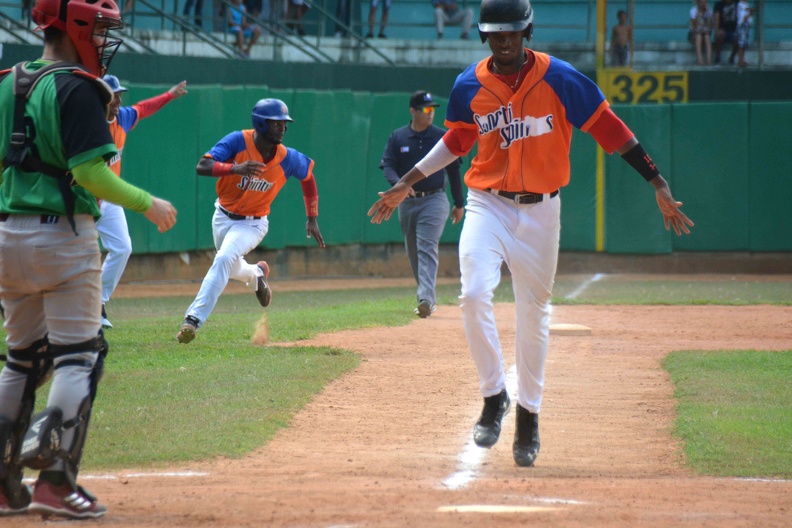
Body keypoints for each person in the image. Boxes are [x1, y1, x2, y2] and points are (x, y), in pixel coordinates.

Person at [368, 0, 693, 468]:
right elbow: (458, 139)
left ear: (527, 32)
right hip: (487, 202)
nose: (503, 41)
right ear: (484, 36)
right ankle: (494, 396)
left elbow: (608, 127)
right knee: (474, 294)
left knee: (533, 313)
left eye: (512, 33)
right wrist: (406, 181)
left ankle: (529, 417)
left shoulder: (560, 78)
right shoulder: (468, 84)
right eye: (495, 34)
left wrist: (656, 181)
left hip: (542, 211)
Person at [0, 0, 176, 519]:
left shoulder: (6, 81)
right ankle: (56, 482)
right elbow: (91, 175)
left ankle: (4, 484)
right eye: (98, 29)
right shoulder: (79, 87)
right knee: (81, 356)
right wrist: (149, 203)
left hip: (7, 235)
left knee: (20, 359)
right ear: (72, 25)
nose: (103, 39)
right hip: (63, 237)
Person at [177, 98, 325, 344]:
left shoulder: (288, 157)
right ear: (260, 123)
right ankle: (256, 275)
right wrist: (233, 169)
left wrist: (312, 217)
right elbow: (202, 166)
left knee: (224, 259)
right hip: (222, 216)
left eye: (284, 123)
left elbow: (308, 177)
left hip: (253, 224)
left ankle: (192, 320)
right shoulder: (237, 141)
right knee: (231, 267)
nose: (283, 128)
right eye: (276, 123)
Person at [98, 76, 188, 329]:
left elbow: (144, 108)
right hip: (83, 197)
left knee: (123, 247)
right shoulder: (89, 124)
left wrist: (169, 94)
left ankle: (97, 304)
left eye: (119, 94)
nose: (118, 100)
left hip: (110, 196)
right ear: (100, 97)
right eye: (113, 95)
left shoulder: (122, 118)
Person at [380, 91, 465, 318]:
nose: (430, 113)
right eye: (426, 109)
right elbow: (387, 165)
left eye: (432, 109)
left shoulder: (441, 136)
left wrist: (459, 203)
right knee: (413, 251)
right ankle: (427, 295)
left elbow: (454, 171)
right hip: (407, 202)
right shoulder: (398, 137)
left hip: (435, 199)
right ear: (413, 111)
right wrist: (399, 185)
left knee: (426, 245)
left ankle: (426, 298)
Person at [712, 0, 738, 64]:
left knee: (738, 39)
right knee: (720, 35)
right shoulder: (718, 5)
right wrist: (717, 30)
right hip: (723, 30)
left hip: (733, 31)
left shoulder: (737, 3)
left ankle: (731, 58)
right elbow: (716, 18)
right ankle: (717, 56)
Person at [689, 0, 713, 65]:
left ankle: (709, 59)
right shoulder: (693, 10)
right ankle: (700, 59)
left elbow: (710, 26)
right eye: (702, 2)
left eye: (705, 2)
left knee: (707, 37)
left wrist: (707, 13)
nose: (703, 4)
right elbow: (694, 26)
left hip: (705, 33)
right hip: (695, 33)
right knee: (698, 36)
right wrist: (698, 14)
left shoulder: (709, 11)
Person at [734, 0, 755, 67]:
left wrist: (751, 14)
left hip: (747, 26)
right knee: (741, 44)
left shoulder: (746, 5)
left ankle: (742, 60)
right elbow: (747, 11)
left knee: (744, 45)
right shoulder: (740, 4)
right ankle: (740, 61)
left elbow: (749, 14)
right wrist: (756, 8)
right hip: (742, 26)